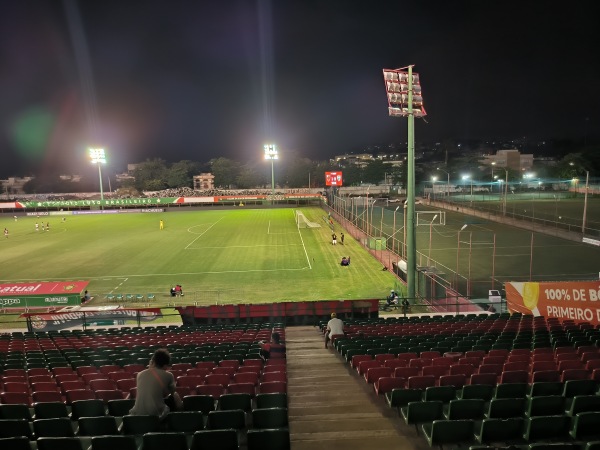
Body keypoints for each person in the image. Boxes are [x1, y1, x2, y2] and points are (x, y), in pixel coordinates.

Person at [129, 348, 182, 419]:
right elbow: (172, 393)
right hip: (155, 415)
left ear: (153, 362)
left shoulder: (139, 374)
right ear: (165, 365)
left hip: (136, 413)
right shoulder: (169, 375)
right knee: (174, 398)